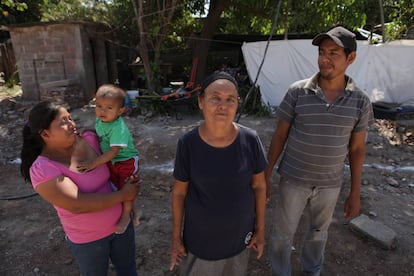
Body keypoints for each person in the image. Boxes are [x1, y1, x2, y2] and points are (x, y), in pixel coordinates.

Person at [265, 26, 374, 276]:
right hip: (293, 179)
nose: (325, 59)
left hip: (329, 185)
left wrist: (355, 192)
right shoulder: (297, 92)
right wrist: (267, 172)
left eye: (333, 53)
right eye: (322, 52)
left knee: (318, 234)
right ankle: (280, 272)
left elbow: (357, 149)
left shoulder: (360, 101)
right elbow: (280, 135)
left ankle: (311, 271)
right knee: (282, 234)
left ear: (351, 58)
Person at [20, 101, 140, 275]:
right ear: (45, 133)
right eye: (63, 122)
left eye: (70, 118)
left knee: (128, 270)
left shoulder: (89, 140)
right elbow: (77, 204)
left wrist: (130, 190)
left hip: (122, 226)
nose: (71, 124)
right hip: (89, 240)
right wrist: (124, 195)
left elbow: (118, 160)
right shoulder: (43, 169)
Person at [169, 72, 268, 276]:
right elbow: (179, 193)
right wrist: (176, 238)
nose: (222, 105)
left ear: (237, 104)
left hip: (240, 236)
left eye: (230, 99)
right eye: (215, 98)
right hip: (201, 240)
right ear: (201, 102)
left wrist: (261, 229)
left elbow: (259, 186)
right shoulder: (188, 144)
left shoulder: (250, 140)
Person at [77, 84, 140, 234]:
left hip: (126, 161)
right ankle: (135, 210)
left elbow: (113, 151)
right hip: (112, 161)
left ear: (121, 111)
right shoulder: (101, 120)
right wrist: (89, 130)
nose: (102, 111)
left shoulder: (118, 127)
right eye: (99, 106)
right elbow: (101, 134)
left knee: (127, 187)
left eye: (109, 108)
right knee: (117, 187)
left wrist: (93, 163)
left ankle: (126, 217)